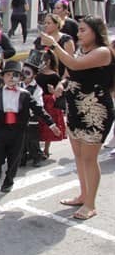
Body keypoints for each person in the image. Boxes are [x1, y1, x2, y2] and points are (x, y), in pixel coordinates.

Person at [40, 16, 114, 220]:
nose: (79, 34)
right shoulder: (83, 50)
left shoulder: (103, 52)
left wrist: (54, 44)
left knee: (90, 158)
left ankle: (91, 204)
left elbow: (74, 64)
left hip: (95, 111)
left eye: (83, 30)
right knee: (80, 156)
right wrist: (63, 83)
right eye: (79, 30)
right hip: (75, 108)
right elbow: (70, 71)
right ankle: (83, 194)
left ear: (96, 32)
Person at [0, 60, 58, 192]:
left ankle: (8, 181)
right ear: (2, 77)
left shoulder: (25, 94)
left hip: (19, 130)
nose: (11, 78)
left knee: (14, 158)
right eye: (8, 75)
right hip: (2, 129)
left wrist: (51, 123)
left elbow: (38, 109)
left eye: (15, 75)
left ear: (20, 78)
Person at [35, 50, 67, 159]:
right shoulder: (37, 74)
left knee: (48, 126)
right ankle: (35, 149)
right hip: (37, 101)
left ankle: (46, 149)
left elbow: (60, 93)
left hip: (49, 104)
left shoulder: (54, 76)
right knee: (36, 126)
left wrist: (53, 91)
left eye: (42, 60)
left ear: (48, 62)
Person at [19, 53, 46, 168]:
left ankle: (37, 156)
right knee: (21, 138)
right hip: (19, 115)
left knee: (32, 138)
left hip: (31, 116)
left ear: (34, 75)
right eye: (23, 71)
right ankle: (22, 157)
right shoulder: (18, 85)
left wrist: (32, 110)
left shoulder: (36, 88)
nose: (25, 75)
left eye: (28, 72)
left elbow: (39, 103)